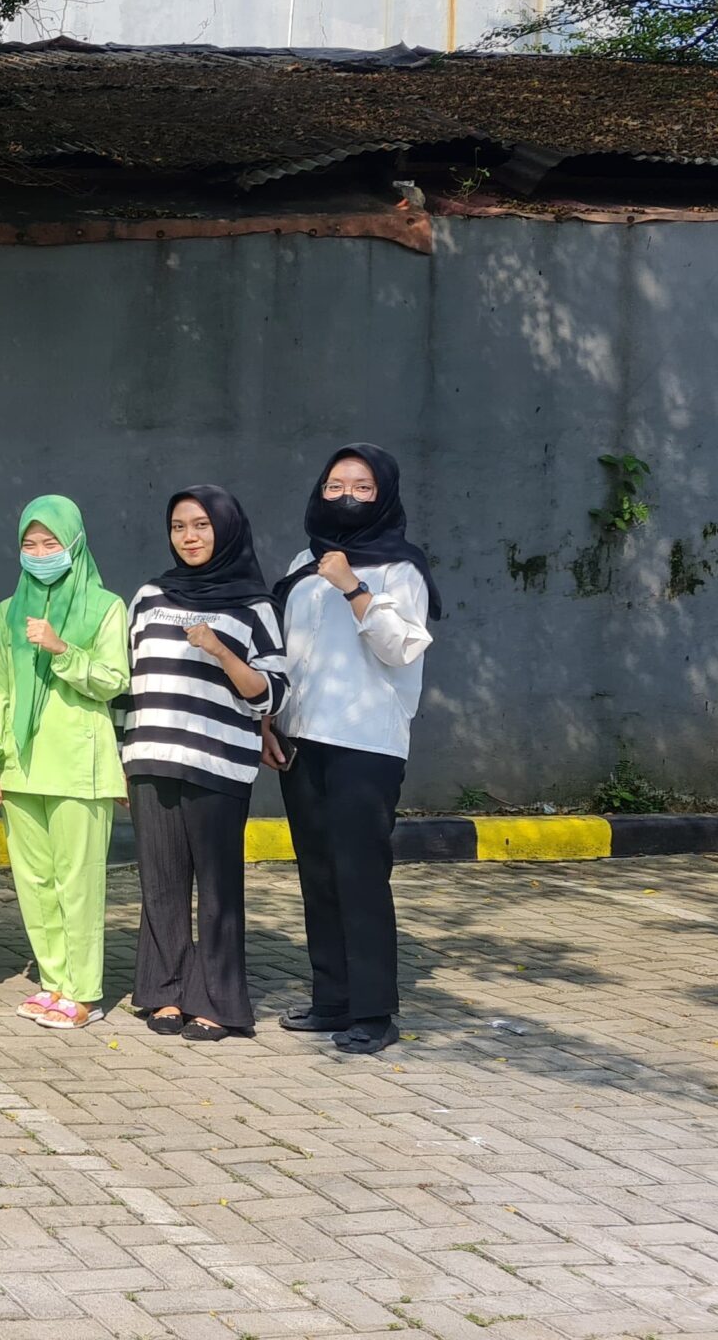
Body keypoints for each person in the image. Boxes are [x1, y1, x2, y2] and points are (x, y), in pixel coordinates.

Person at [264, 445, 438, 1056]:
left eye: (362, 487)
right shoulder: (302, 564)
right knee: (317, 872)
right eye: (335, 485)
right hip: (301, 737)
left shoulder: (401, 569)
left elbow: (401, 648)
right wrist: (269, 720)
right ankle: (332, 998)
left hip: (365, 742)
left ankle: (373, 1011)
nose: (346, 496)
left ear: (383, 495)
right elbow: (286, 651)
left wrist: (353, 587)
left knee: (360, 875)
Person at [122, 486, 289, 1042]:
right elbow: (127, 679)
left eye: (200, 525)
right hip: (150, 757)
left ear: (226, 529)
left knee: (218, 889)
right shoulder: (149, 596)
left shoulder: (254, 606)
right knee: (161, 884)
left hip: (218, 763)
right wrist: (122, 753)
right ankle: (164, 991)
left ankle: (217, 1000)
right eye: (178, 527)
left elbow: (272, 694)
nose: (189, 537)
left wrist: (220, 650)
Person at [0, 496, 130, 1031]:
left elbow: (114, 680)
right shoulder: (7, 612)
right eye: (30, 544)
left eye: (51, 543)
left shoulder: (105, 606)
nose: (40, 554)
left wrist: (63, 650)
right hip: (20, 765)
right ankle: (53, 981)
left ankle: (84, 991)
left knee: (78, 883)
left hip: (79, 766)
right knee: (35, 882)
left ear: (75, 544)